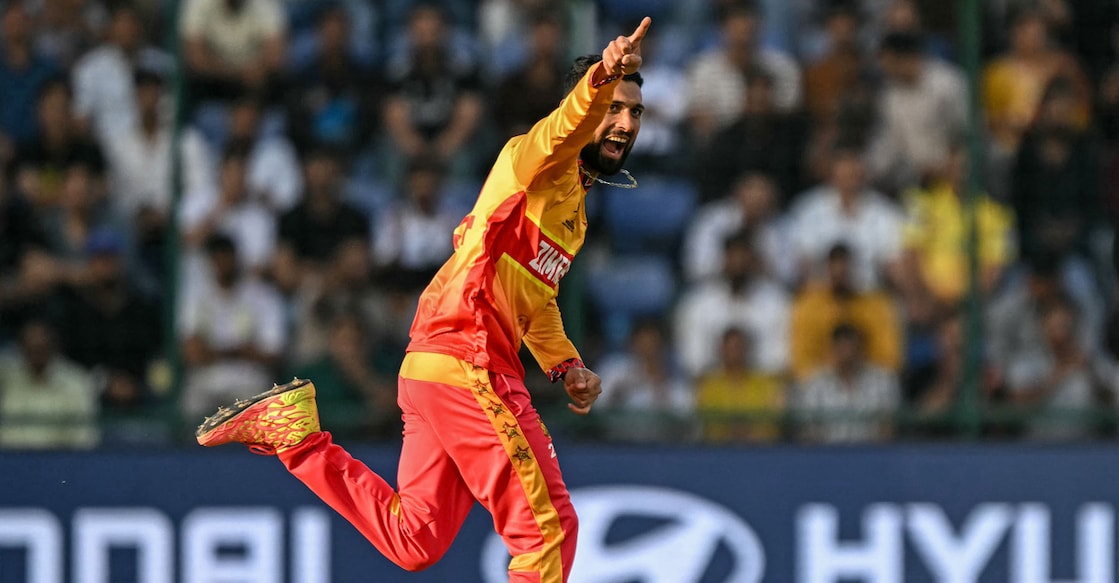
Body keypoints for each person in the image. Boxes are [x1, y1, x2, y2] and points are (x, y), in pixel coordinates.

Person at [195, 18, 653, 581]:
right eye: (614, 107)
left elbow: (535, 298)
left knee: (415, 538)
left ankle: (296, 438)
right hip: (470, 358)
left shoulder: (574, 210)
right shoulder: (533, 158)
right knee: (548, 532)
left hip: (438, 366)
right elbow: (563, 128)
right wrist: (604, 74)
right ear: (585, 105)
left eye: (635, 112)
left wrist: (566, 364)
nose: (625, 123)